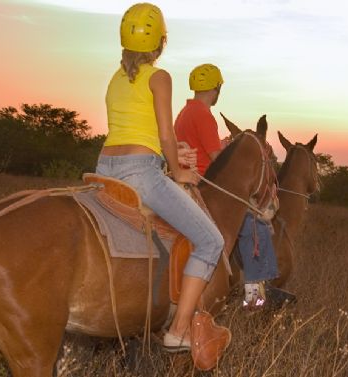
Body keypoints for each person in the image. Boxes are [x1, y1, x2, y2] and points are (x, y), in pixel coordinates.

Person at [95, 3, 229, 353]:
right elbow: (165, 135)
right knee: (211, 241)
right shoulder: (160, 77)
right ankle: (179, 330)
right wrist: (179, 168)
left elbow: (138, 130)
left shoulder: (115, 78)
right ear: (161, 42)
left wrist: (173, 152)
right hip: (139, 173)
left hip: (103, 169)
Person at [174, 64, 286, 309]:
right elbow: (216, 157)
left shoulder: (184, 112)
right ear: (216, 88)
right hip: (206, 182)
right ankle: (256, 297)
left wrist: (226, 143)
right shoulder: (204, 115)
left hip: (186, 179)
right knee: (253, 226)